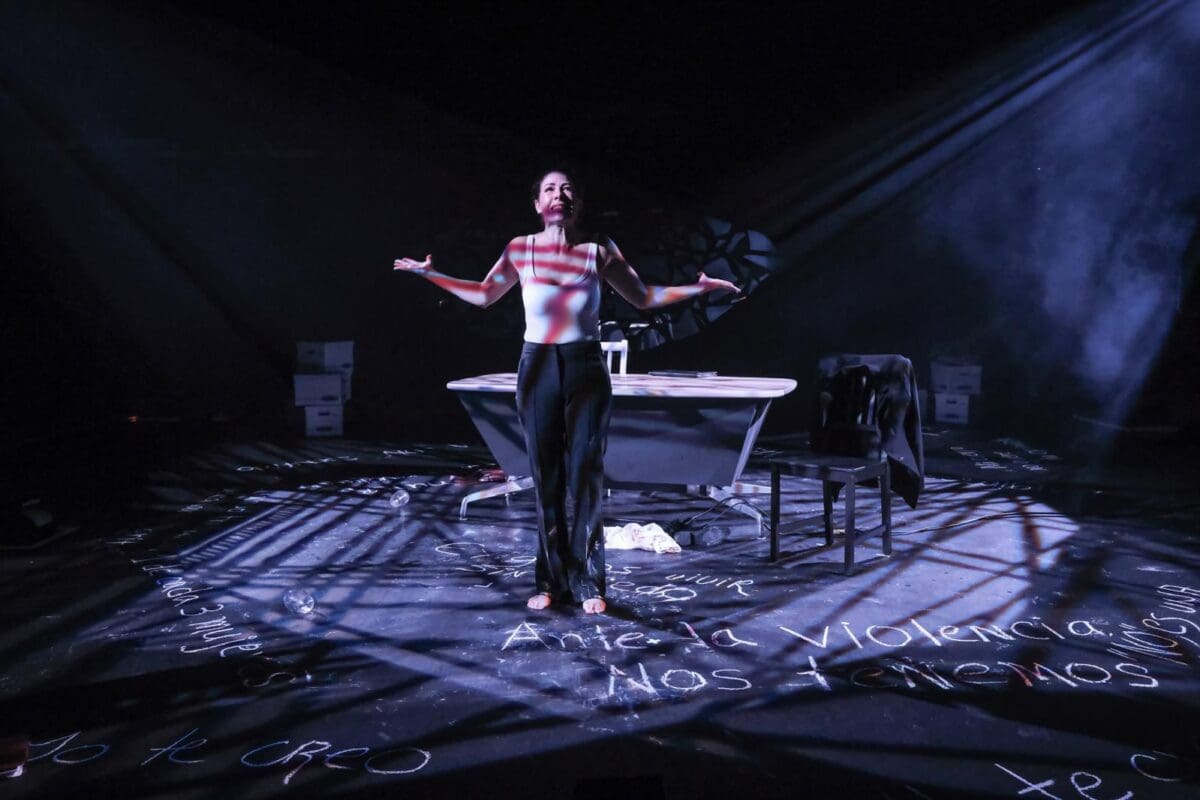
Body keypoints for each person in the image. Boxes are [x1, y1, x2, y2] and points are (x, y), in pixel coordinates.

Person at [394, 170, 738, 614]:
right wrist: (431, 275)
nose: (560, 194)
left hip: (585, 366)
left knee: (586, 476)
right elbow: (483, 295)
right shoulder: (521, 248)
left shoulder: (599, 249)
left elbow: (643, 297)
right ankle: (550, 581)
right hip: (538, 365)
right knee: (547, 477)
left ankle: (589, 582)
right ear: (538, 204)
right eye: (550, 189)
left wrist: (699, 288)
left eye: (568, 188)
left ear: (579, 203)